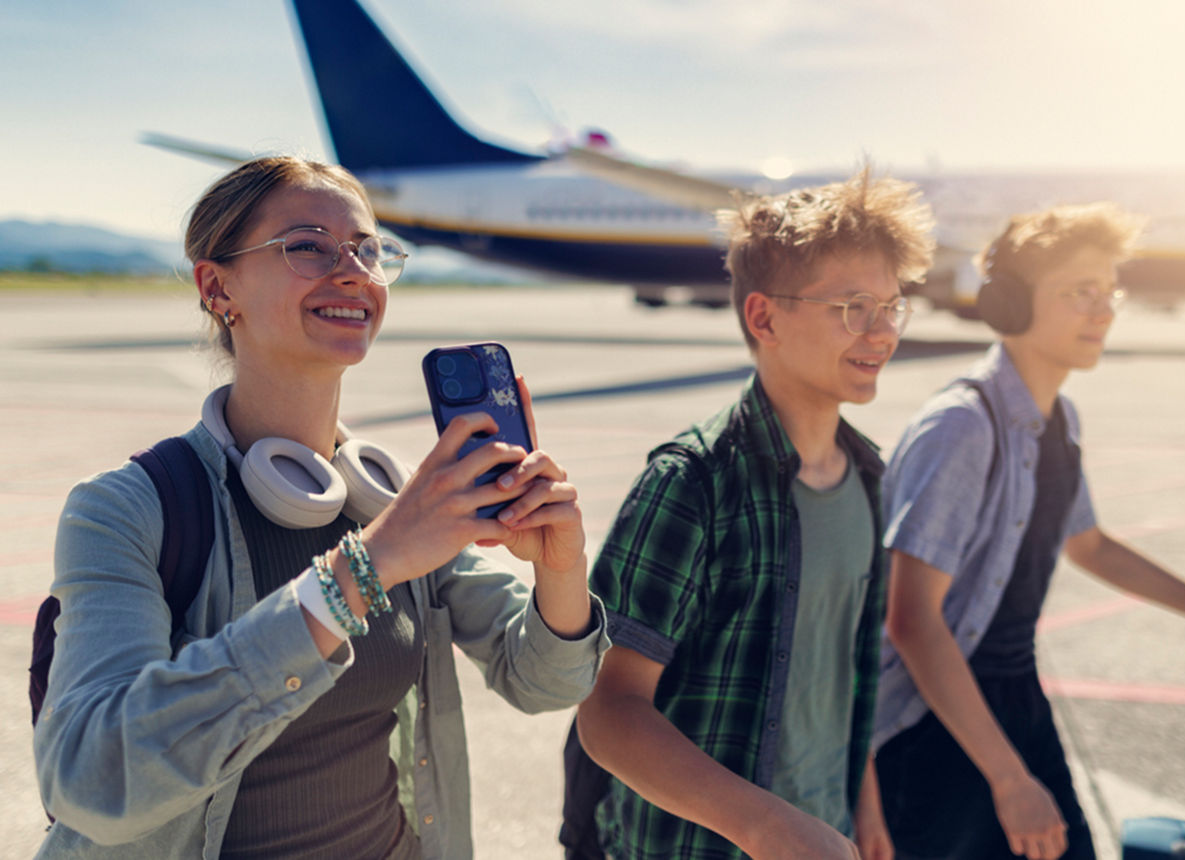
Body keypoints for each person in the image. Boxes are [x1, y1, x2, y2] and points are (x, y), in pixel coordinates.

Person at [33, 155, 609, 859]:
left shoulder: (389, 494)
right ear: (218, 288)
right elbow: (93, 782)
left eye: (369, 250)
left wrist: (560, 566)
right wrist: (366, 568)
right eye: (308, 246)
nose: (354, 272)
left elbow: (547, 682)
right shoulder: (125, 510)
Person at [873, 202, 1185, 860]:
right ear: (1010, 303)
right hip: (935, 721)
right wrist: (1009, 780)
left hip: (1016, 699)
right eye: (1078, 293)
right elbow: (914, 623)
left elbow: (1090, 545)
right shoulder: (962, 427)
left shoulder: (1058, 419)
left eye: (1108, 292)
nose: (1102, 312)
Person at [575, 170, 936, 860]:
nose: (884, 332)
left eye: (893, 306)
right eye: (855, 307)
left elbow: (842, 676)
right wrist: (765, 826)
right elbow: (608, 712)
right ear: (764, 318)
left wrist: (863, 809)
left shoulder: (872, 478)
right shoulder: (691, 483)